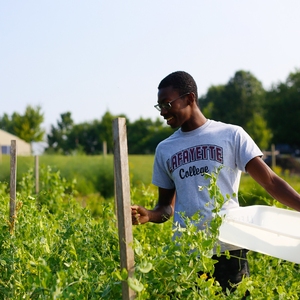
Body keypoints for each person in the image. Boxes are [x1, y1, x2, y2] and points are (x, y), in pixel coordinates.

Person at [131, 71, 300, 294]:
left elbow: (270, 181)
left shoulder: (231, 135)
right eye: (159, 106)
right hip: (187, 257)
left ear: (190, 98)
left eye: (167, 103)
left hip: (229, 251)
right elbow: (166, 208)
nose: (163, 112)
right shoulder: (165, 149)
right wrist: (149, 215)